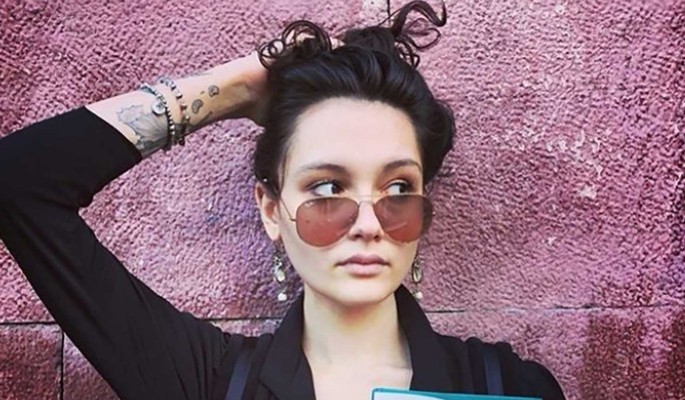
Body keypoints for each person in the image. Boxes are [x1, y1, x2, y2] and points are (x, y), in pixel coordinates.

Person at [0, 2, 565, 399]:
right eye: (328, 188)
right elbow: (18, 181)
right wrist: (238, 87)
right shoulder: (209, 383)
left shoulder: (508, 387)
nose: (368, 223)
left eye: (397, 188)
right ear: (272, 210)